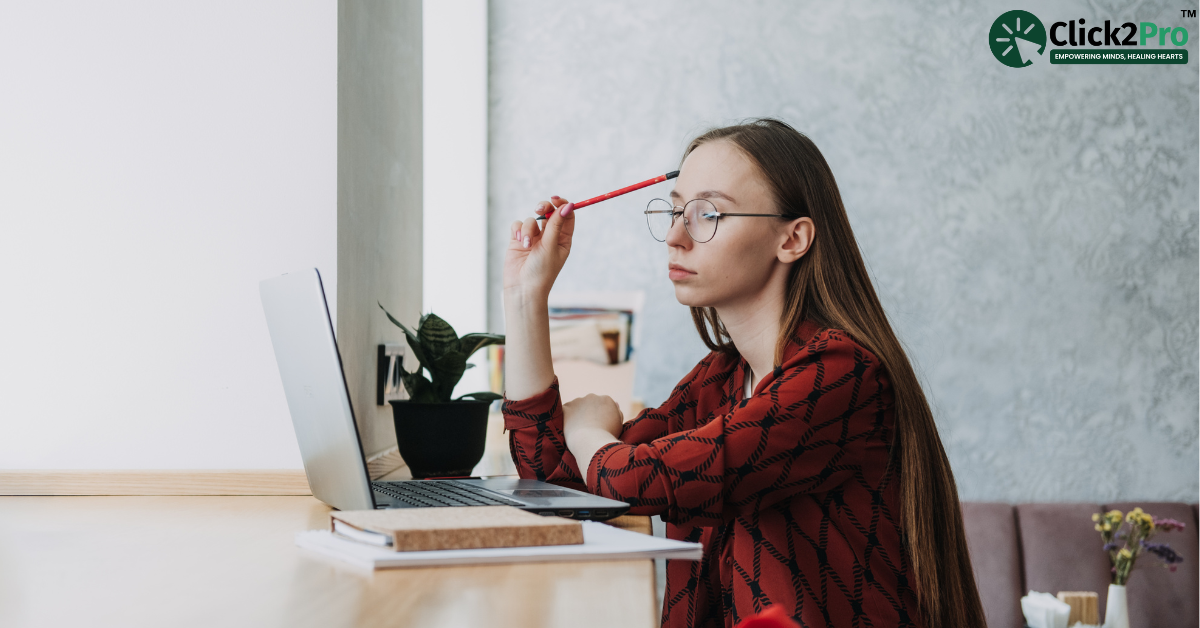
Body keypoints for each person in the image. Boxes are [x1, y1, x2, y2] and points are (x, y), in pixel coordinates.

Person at [500, 118, 985, 628]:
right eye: (673, 210)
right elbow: (558, 483)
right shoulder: (720, 379)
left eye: (708, 213)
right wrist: (526, 295)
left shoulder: (842, 375)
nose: (674, 237)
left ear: (792, 239)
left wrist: (586, 429)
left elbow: (633, 477)